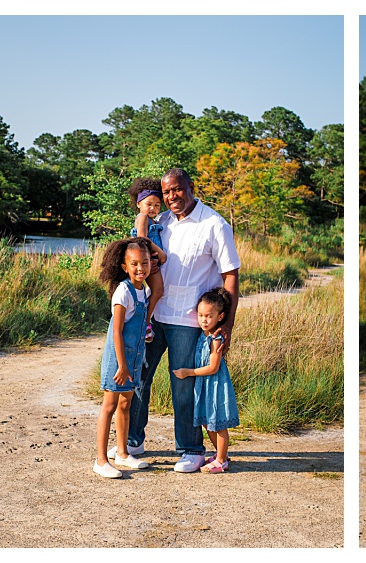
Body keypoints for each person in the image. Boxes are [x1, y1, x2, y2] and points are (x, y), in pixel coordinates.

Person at [115, 167, 241, 474]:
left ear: (191, 187)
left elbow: (230, 276)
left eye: (177, 190)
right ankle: (132, 442)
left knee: (183, 385)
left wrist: (226, 325)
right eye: (166, 191)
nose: (171, 197)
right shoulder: (161, 221)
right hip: (153, 315)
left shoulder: (214, 224)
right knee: (139, 378)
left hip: (188, 320)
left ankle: (191, 449)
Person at [93, 238, 156, 478]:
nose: (140, 268)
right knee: (109, 406)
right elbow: (117, 331)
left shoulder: (145, 290)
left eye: (145, 262)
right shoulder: (123, 291)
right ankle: (100, 460)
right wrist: (121, 365)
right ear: (124, 267)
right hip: (119, 361)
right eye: (135, 264)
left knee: (126, 404)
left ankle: (122, 452)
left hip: (134, 357)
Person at [173, 288, 239, 474]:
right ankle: (221, 455)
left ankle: (221, 461)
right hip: (205, 385)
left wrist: (188, 372)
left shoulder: (216, 338)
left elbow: (213, 367)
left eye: (209, 316)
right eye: (201, 315)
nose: (204, 320)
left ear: (220, 316)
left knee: (218, 423)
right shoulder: (203, 335)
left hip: (215, 385)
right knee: (206, 421)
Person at [127, 178, 168, 342]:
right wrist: (161, 253)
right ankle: (144, 323)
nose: (153, 208)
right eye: (149, 204)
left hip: (151, 262)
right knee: (157, 291)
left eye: (157, 205)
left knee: (153, 291)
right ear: (139, 204)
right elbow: (142, 239)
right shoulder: (142, 217)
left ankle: (144, 321)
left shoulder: (154, 220)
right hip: (147, 262)